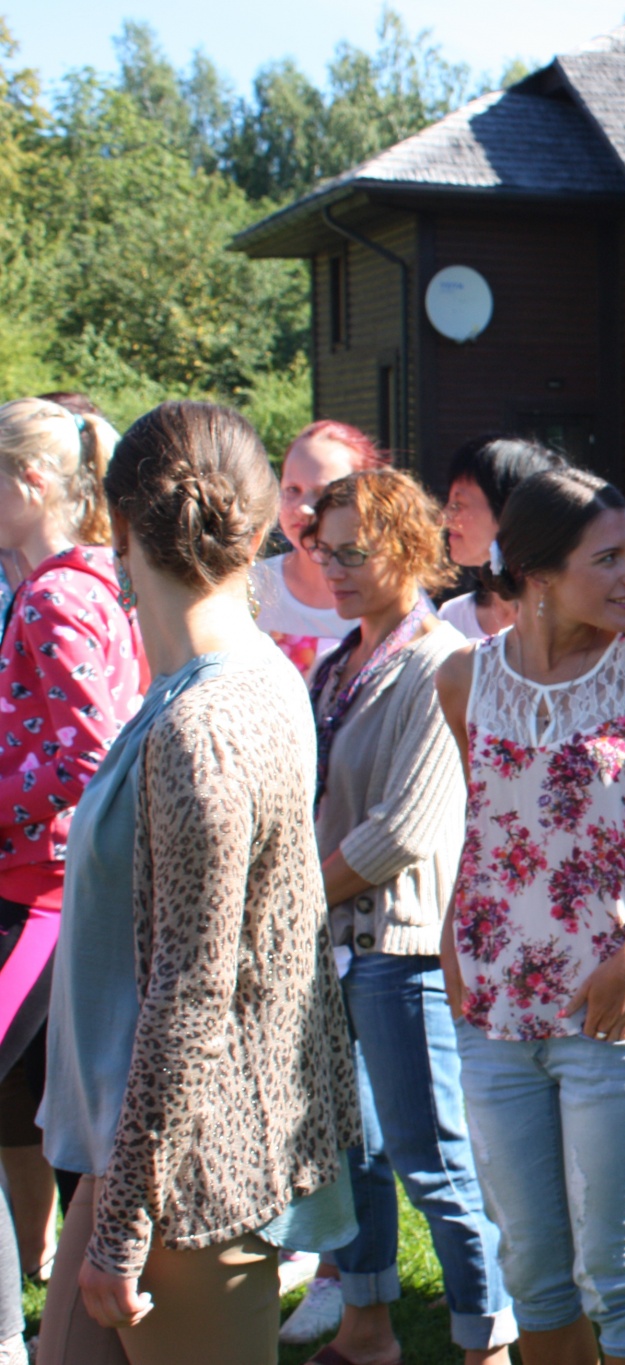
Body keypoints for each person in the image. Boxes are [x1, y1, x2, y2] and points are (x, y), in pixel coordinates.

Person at [39, 400, 360, 1365]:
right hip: (134, 1152)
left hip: (185, 1182)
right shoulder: (228, 683)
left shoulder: (207, 724)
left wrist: (124, 1222)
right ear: (259, 533)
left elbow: (192, 995)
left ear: (119, 527)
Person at [437, 467, 625, 1365]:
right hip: (494, 1017)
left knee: (619, 1279)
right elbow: (484, 823)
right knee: (534, 1278)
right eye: (610, 558)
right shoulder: (462, 678)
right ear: (538, 573)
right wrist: (451, 939)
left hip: (615, 1013)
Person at [304, 469, 516, 1364]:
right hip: (336, 944)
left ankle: (487, 1343)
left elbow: (404, 830)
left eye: (355, 550)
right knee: (351, 1154)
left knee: (435, 1163)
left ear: (411, 547)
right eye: (323, 550)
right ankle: (367, 1331)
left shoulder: (439, 660)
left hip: (402, 951)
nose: (335, 568)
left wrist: (289, 899)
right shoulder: (336, 664)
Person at [0, 400, 142, 1298]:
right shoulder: (92, 577)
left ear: (31, 482)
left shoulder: (59, 593)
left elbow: (93, 752)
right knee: (58, 1126)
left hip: (44, 893)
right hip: (57, 886)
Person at [253, 420, 387, 678]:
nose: (303, 508)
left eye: (324, 493)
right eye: (292, 489)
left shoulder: (389, 595)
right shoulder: (249, 587)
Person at [439, 433, 567, 639]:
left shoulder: (570, 624)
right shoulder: (452, 618)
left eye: (458, 504)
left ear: (512, 513)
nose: (445, 518)